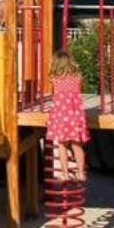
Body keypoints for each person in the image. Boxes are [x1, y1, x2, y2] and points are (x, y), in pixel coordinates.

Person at [44, 49, 89, 179]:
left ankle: (65, 173)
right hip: (75, 116)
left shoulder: (54, 79)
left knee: (62, 145)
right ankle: (81, 172)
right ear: (70, 63)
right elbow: (80, 91)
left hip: (61, 117)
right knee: (77, 145)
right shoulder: (77, 78)